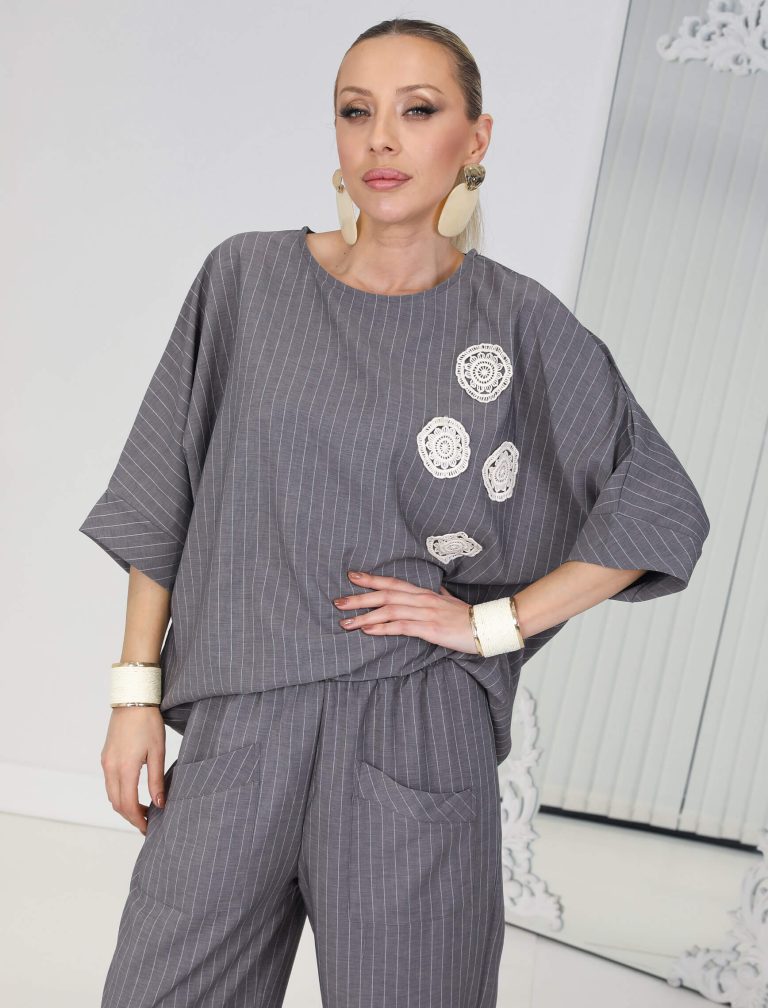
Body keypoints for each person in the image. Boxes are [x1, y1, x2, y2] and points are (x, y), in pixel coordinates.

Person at [79, 17, 711, 1008]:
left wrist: (491, 623)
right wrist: (133, 698)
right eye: (356, 111)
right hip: (242, 720)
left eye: (418, 111)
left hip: (417, 727)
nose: (382, 138)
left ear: (475, 137)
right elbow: (167, 488)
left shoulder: (518, 322)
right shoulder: (245, 279)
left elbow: (659, 500)